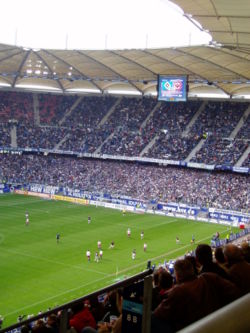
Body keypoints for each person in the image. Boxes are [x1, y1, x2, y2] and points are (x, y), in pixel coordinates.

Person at [152, 258, 240, 332]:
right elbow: (234, 290)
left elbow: (157, 315)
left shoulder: (177, 292)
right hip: (219, 324)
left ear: (177, 276)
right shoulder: (208, 277)